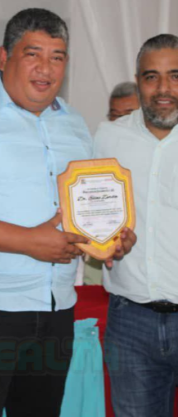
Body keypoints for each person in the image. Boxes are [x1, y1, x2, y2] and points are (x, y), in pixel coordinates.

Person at [0, 9, 135, 416]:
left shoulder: (74, 123)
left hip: (56, 306)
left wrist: (108, 238)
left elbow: (83, 208)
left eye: (57, 57)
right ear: (4, 57)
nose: (46, 68)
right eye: (33, 54)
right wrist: (29, 242)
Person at [94, 33, 177, 416]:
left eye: (175, 75)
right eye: (151, 76)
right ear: (138, 80)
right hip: (130, 322)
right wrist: (99, 241)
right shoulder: (108, 137)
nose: (164, 88)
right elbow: (92, 210)